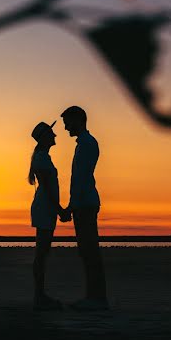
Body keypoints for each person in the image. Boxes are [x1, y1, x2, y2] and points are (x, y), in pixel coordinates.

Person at [61, 105, 109, 310]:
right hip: (84, 202)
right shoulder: (84, 143)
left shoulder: (88, 143)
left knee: (89, 251)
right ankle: (93, 296)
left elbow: (81, 179)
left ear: (78, 121)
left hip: (85, 203)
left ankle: (96, 299)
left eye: (67, 123)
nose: (65, 128)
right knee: (87, 251)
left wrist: (70, 207)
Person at [27, 120, 69, 311]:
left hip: (46, 207)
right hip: (45, 207)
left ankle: (39, 295)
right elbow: (47, 187)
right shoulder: (42, 158)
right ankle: (39, 296)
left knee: (42, 253)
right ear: (45, 137)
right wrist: (59, 209)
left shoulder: (43, 157)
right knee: (42, 253)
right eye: (52, 133)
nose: (55, 136)